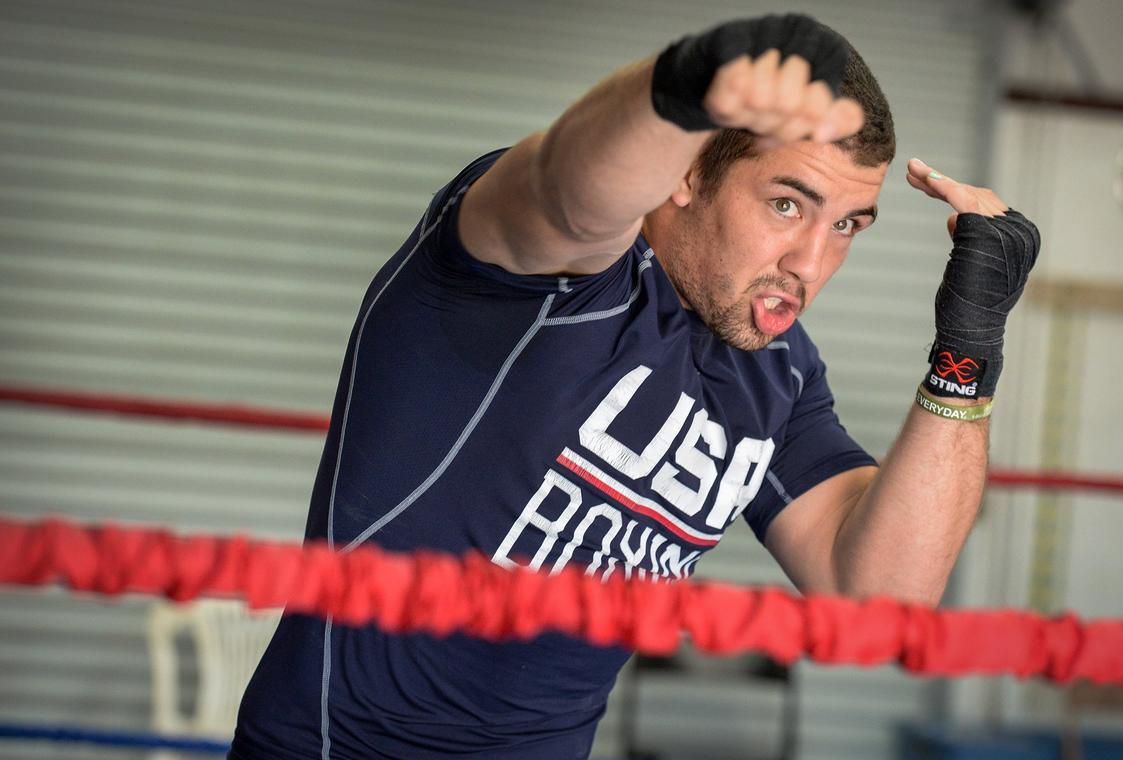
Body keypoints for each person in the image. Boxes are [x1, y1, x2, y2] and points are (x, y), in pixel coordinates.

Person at [231, 13, 1039, 760]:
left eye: (845, 226)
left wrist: (970, 346)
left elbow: (880, 602)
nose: (812, 264)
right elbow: (566, 186)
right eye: (788, 203)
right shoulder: (547, 278)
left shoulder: (777, 373)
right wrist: (682, 84)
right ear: (687, 172)